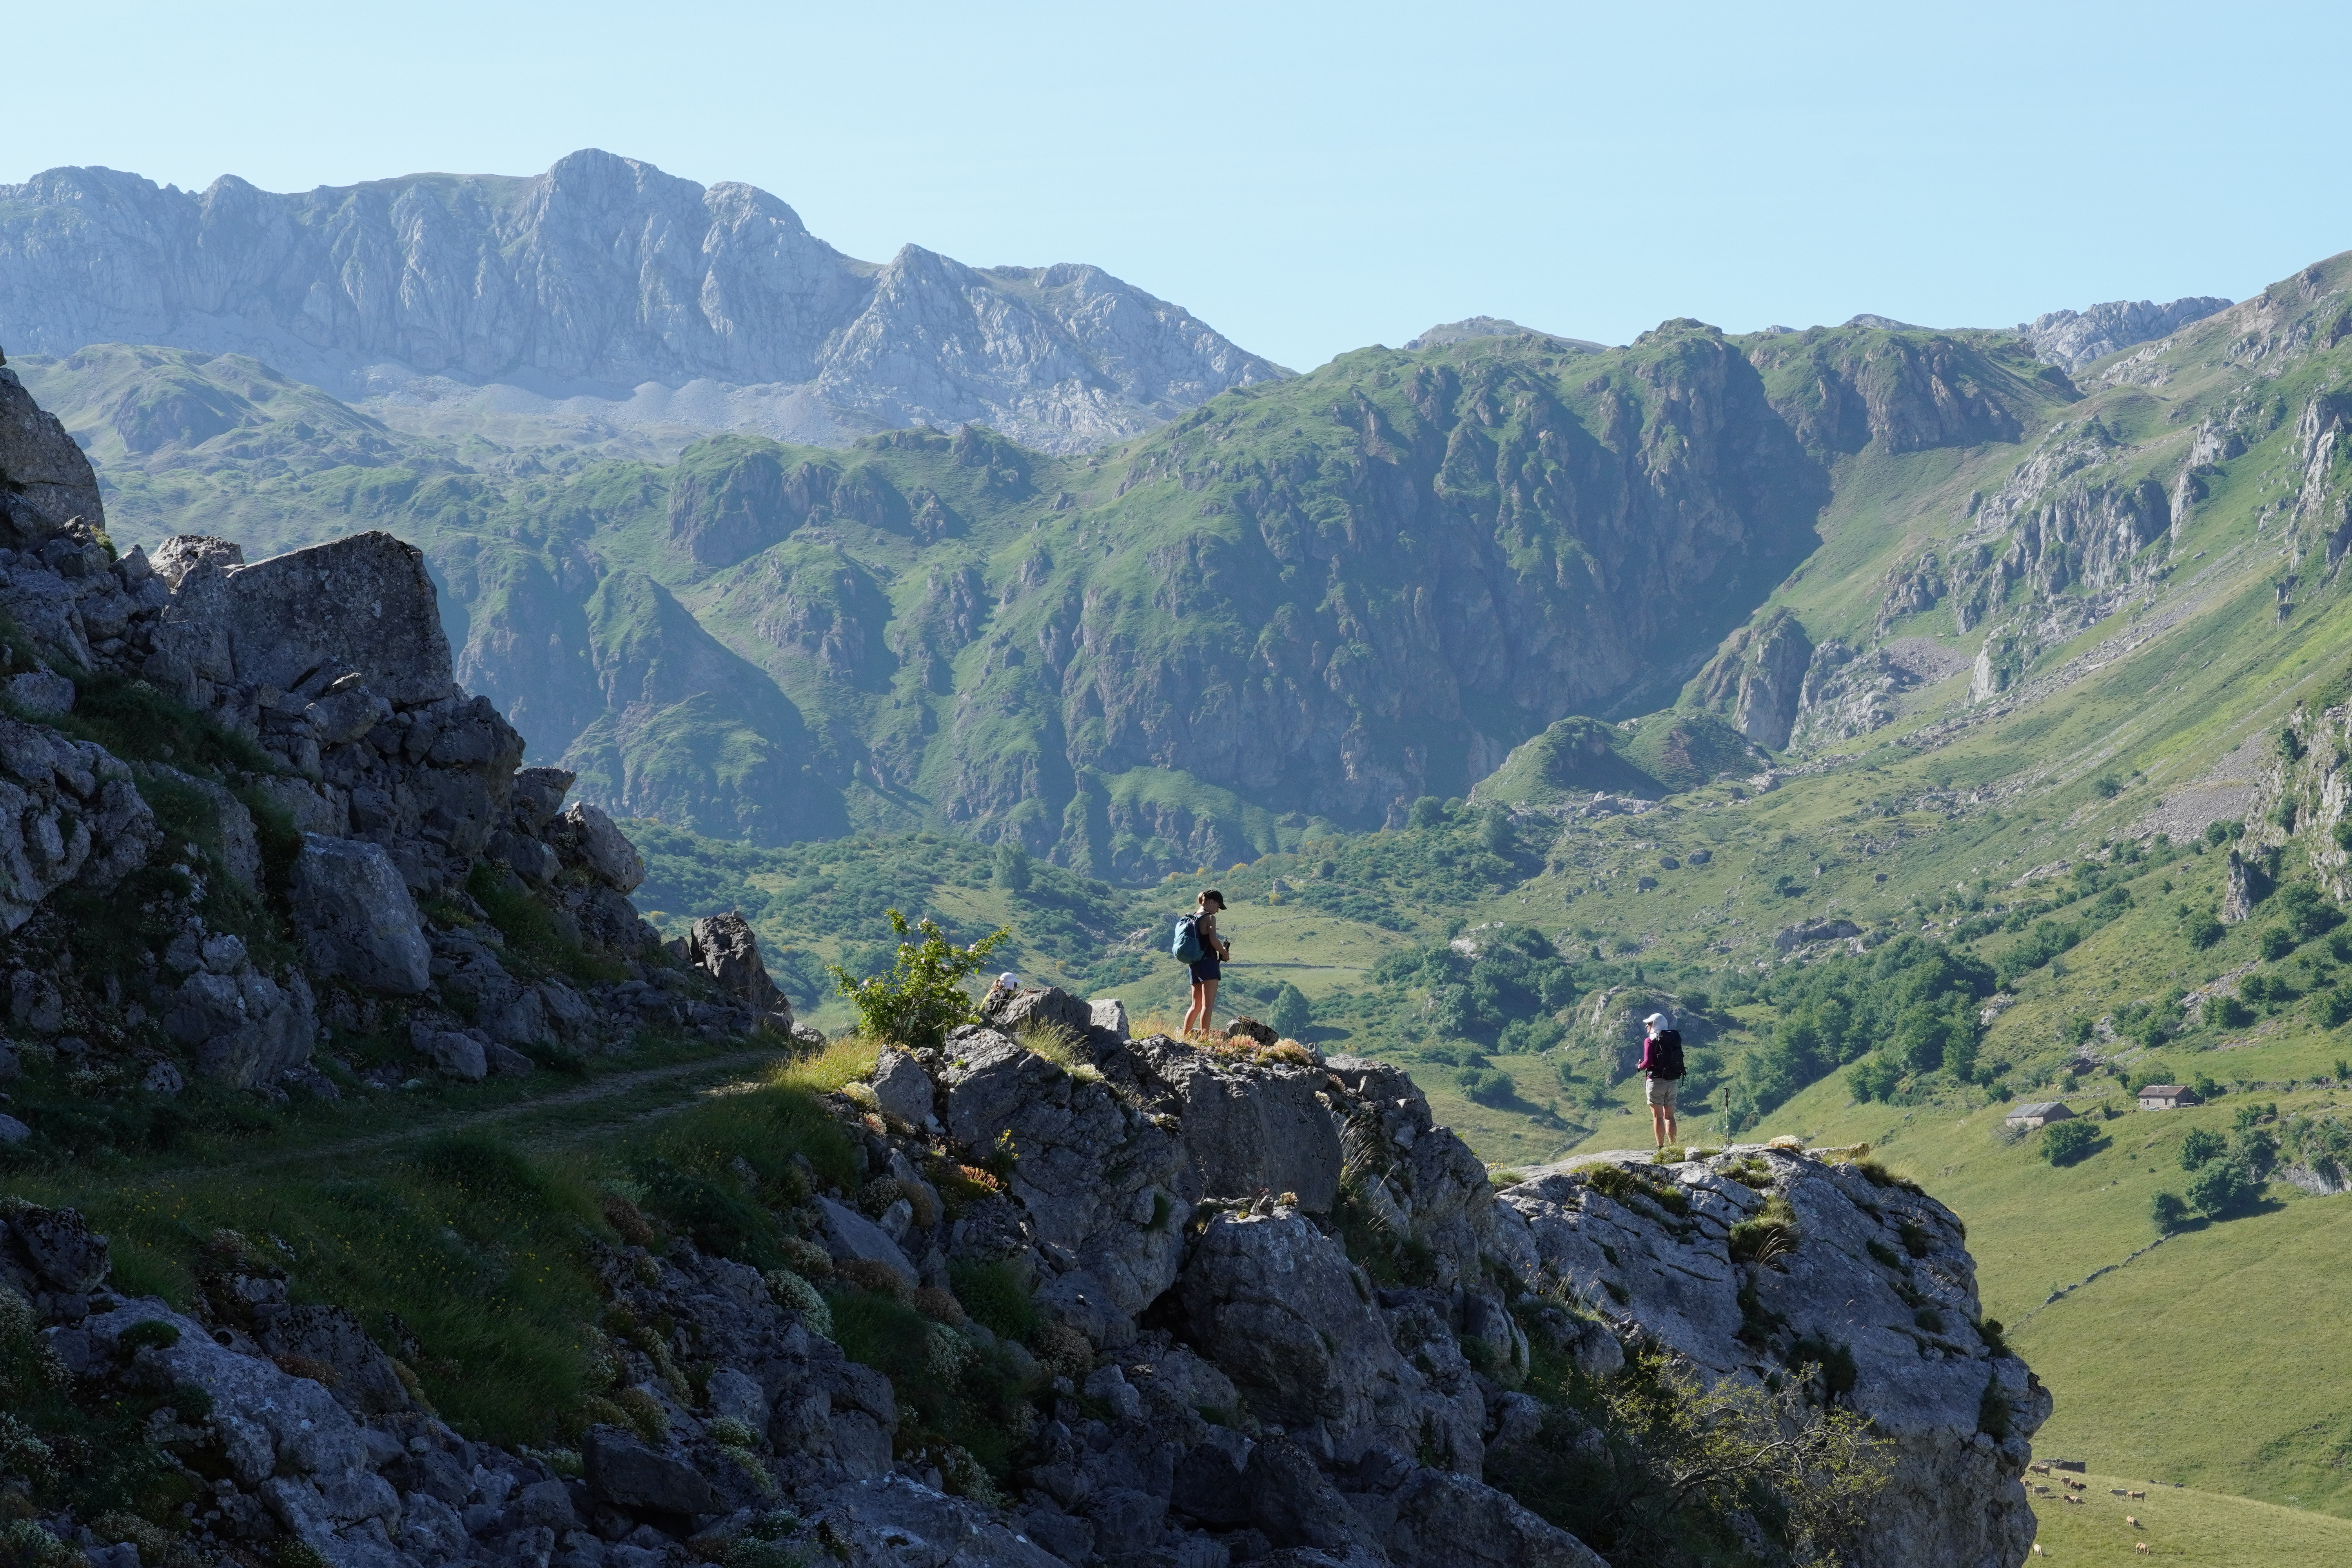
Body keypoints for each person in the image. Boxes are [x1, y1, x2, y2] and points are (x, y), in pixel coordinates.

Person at [1180, 889, 1232, 1038]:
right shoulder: (1209, 918)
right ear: (1211, 902)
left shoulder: (1193, 917)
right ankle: (1204, 1038)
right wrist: (1225, 954)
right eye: (1218, 906)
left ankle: (1184, 1037)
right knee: (1208, 1005)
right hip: (1209, 963)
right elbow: (1214, 941)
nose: (1218, 911)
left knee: (1195, 1005)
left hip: (1195, 963)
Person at [1638, 1011, 1683, 1149]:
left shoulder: (1649, 1041)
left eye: (1649, 1024)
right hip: (1673, 1081)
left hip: (1656, 1081)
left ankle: (1661, 1147)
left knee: (1657, 1116)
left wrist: (1639, 1066)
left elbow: (1647, 1062)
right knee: (1670, 1116)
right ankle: (1673, 1146)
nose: (1647, 1027)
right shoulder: (1673, 1039)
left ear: (1654, 1025)